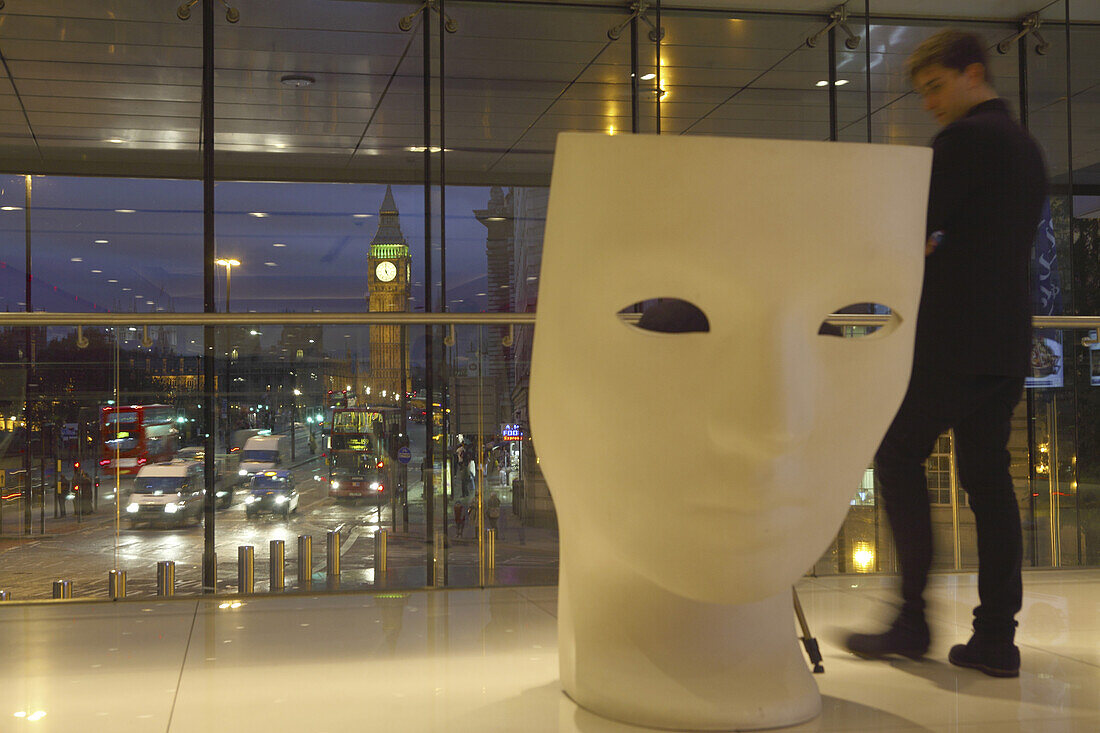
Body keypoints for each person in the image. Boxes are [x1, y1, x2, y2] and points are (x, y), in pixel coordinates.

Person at [845, 30, 1047, 678]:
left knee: (899, 452)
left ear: (972, 74)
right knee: (990, 481)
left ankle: (912, 619)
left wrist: (921, 242)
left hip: (953, 339)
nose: (929, 103)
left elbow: (909, 225)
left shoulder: (964, 142)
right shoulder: (1026, 148)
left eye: (936, 86)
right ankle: (995, 638)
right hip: (1006, 342)